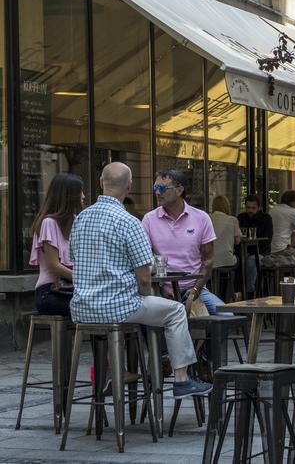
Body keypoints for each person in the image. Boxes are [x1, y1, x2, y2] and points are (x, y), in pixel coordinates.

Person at [70, 162, 211, 399]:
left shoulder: (80, 219)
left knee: (155, 310)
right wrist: (147, 297)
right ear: (130, 186)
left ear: (101, 183)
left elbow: (74, 260)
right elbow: (145, 278)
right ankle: (181, 379)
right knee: (175, 311)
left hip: (81, 309)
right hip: (119, 308)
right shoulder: (129, 222)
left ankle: (117, 374)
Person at [142, 169, 226, 315]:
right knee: (152, 321)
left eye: (162, 188)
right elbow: (144, 261)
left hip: (194, 289)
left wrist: (195, 290)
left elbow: (208, 260)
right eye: (155, 188)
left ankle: (204, 338)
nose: (157, 192)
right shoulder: (149, 219)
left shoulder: (201, 218)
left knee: (226, 315)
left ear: (179, 190)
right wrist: (161, 288)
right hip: (162, 291)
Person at [29, 173, 85, 317]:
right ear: (68, 196)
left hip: (73, 289)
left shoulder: (76, 220)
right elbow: (55, 265)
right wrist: (85, 278)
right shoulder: (49, 223)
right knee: (94, 307)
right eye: (80, 192)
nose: (83, 196)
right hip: (50, 292)